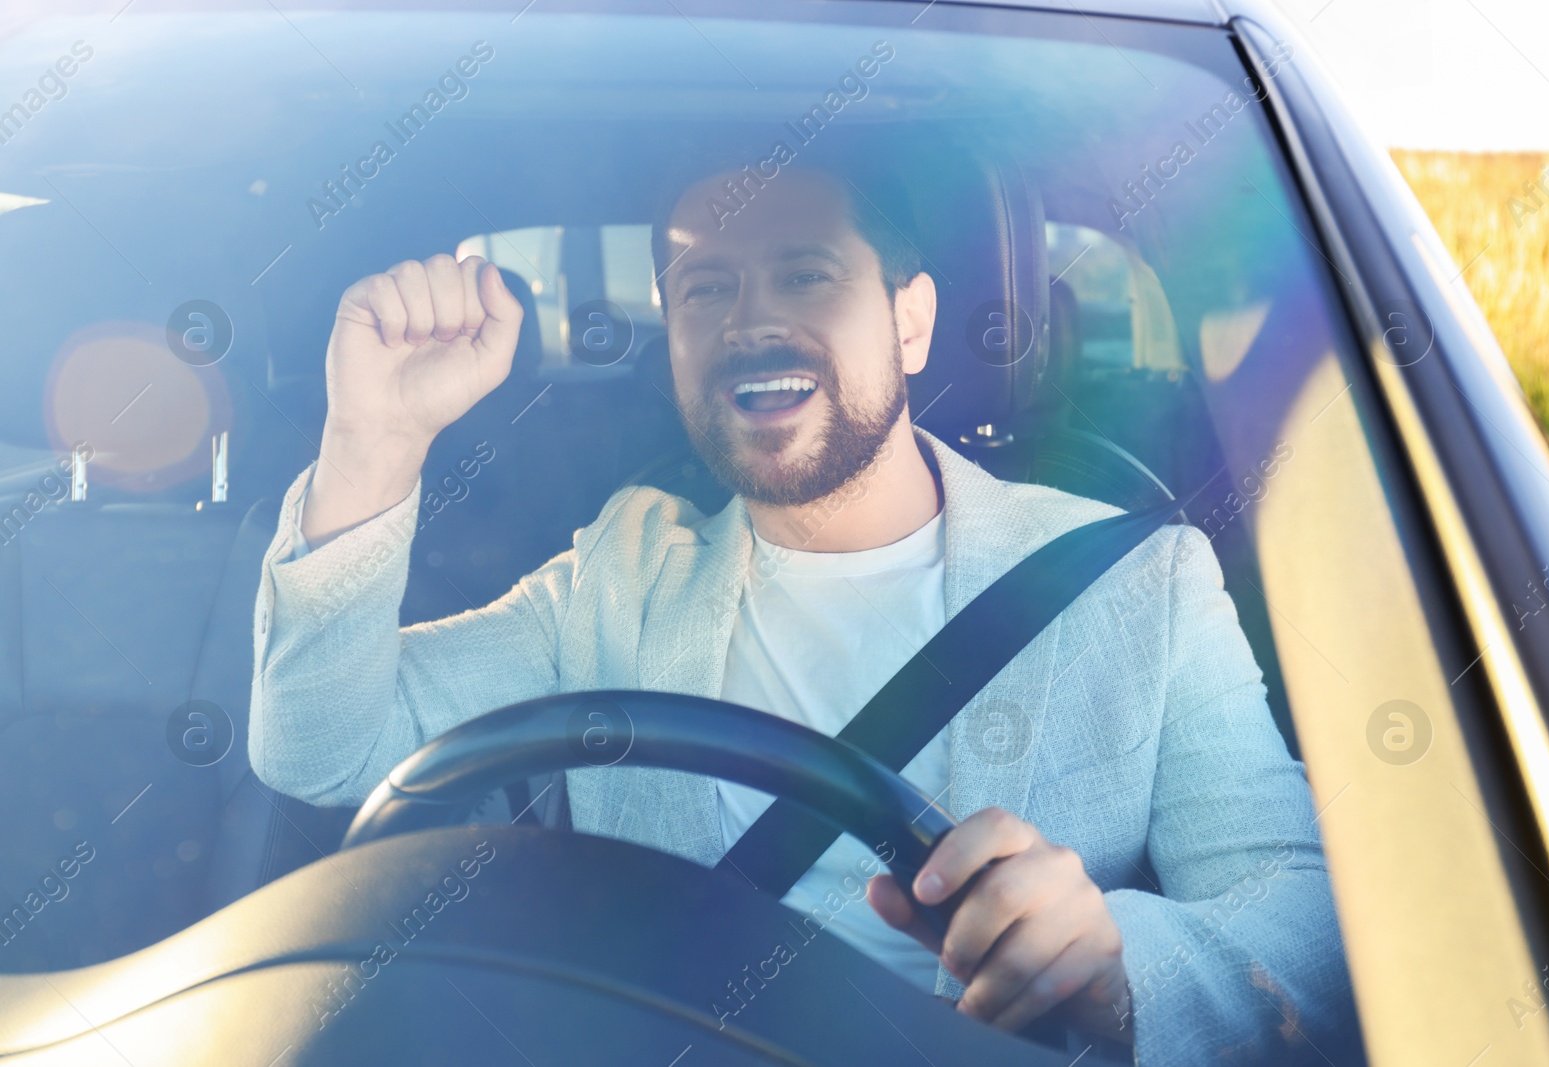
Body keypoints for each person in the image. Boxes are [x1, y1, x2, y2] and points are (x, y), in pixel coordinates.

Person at [249, 151, 1354, 1063]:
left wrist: (1115, 964)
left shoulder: (1136, 579)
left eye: (806, 274)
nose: (750, 322)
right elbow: (323, 745)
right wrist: (374, 442)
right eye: (705, 288)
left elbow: (1306, 931)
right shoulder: (616, 576)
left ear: (909, 323)